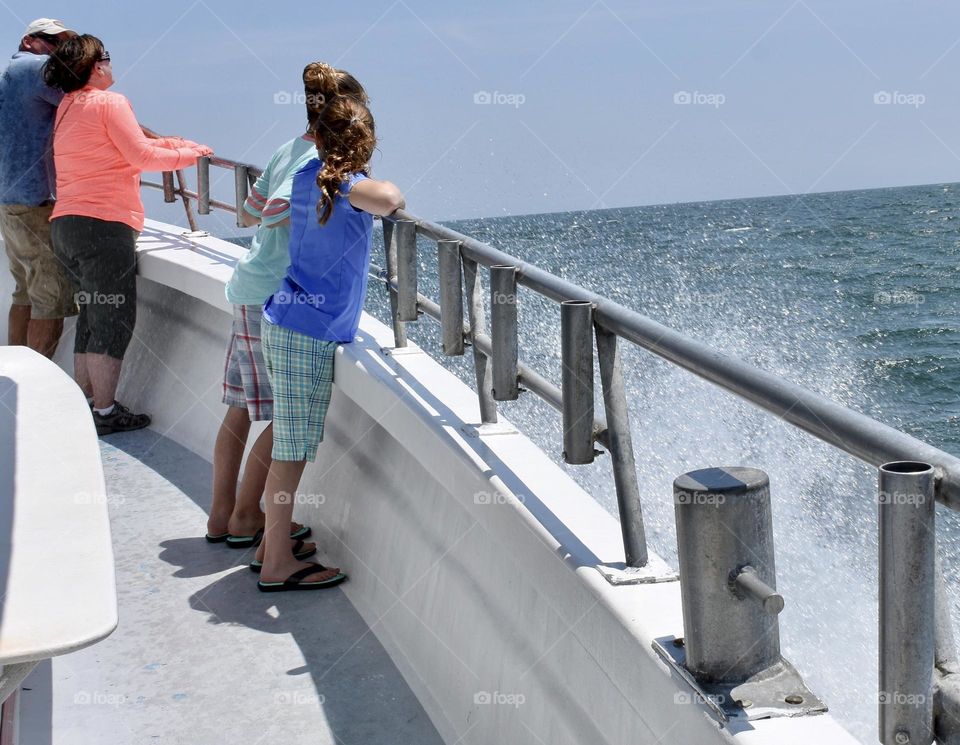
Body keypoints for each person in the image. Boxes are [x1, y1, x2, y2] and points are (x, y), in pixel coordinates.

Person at [207, 64, 370, 552]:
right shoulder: (317, 159)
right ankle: (244, 517)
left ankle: (223, 514)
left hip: (249, 284)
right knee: (285, 417)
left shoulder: (286, 146)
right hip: (276, 293)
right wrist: (309, 210)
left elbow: (248, 211)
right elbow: (280, 203)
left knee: (241, 406)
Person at [254, 96, 405, 592]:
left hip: (289, 318)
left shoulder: (309, 176)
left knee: (286, 439)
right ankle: (276, 560)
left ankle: (267, 544)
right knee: (291, 451)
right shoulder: (343, 184)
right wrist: (369, 177)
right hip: (307, 331)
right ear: (362, 143)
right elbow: (388, 200)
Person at [43, 35, 212, 435]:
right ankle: (105, 412)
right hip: (103, 226)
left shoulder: (68, 106)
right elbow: (141, 156)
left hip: (66, 224)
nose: (112, 64)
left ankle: (86, 403)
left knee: (92, 316)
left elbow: (127, 145)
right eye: (107, 58)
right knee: (113, 320)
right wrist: (194, 154)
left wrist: (176, 143)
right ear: (96, 67)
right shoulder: (109, 102)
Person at [0, 18, 78, 357]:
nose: (59, 50)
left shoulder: (10, 74)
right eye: (52, 41)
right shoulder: (39, 68)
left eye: (63, 44)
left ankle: (14, 376)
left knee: (25, 291)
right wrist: (154, 140)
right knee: (53, 298)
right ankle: (36, 390)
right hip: (35, 203)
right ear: (29, 41)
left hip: (9, 203)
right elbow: (87, 106)